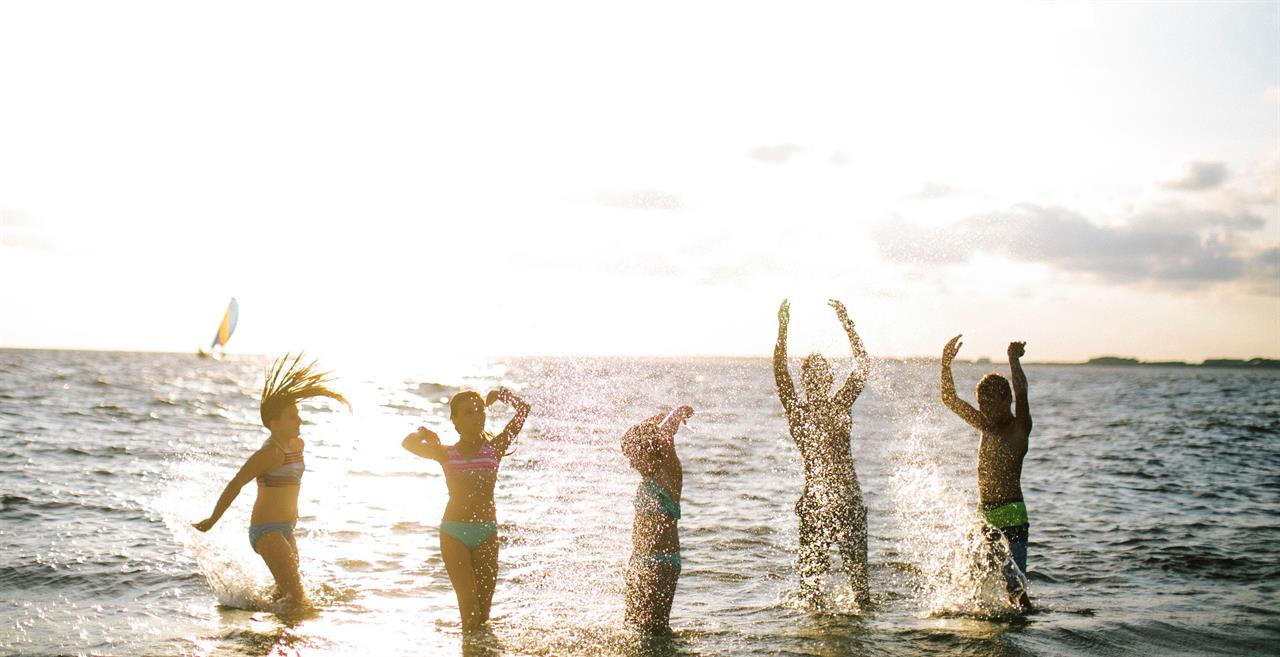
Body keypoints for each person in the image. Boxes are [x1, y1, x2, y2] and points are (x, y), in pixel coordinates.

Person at [192, 354, 349, 611]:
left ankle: (258, 623)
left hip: (287, 530)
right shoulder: (269, 454)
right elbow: (236, 484)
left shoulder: (297, 445)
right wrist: (212, 520)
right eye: (291, 417)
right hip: (267, 531)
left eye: (298, 415)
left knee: (284, 594)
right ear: (274, 424)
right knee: (298, 599)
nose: (298, 420)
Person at [401, 387, 530, 630]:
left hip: (486, 533)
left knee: (483, 615)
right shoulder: (446, 453)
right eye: (468, 413)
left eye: (480, 411)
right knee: (469, 612)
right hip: (453, 534)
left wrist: (501, 394)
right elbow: (407, 443)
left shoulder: (496, 447)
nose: (477, 417)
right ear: (455, 420)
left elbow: (524, 410)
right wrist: (423, 432)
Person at [773, 299, 872, 606]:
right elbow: (780, 371)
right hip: (815, 502)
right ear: (805, 382)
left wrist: (848, 324)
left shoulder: (839, 404)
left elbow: (863, 365)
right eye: (811, 374)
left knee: (861, 593)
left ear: (829, 379)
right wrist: (783, 329)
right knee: (810, 594)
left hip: (847, 500)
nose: (817, 378)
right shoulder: (797, 411)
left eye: (822, 373)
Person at [940, 335, 1033, 610]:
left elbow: (1023, 393)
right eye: (981, 404)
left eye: (990, 404)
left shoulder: (1019, 427)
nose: (984, 411)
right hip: (985, 514)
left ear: (1006, 400)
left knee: (1016, 589)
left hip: (1012, 513)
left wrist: (1013, 360)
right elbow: (949, 399)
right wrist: (945, 365)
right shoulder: (985, 426)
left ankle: (1023, 631)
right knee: (971, 577)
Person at [621, 405, 694, 634]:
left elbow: (663, 435)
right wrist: (655, 419)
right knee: (632, 626)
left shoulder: (668, 475)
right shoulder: (648, 477)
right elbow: (650, 434)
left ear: (649, 452)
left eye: (634, 457)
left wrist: (677, 412)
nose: (631, 464)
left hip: (662, 563)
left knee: (655, 630)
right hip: (639, 559)